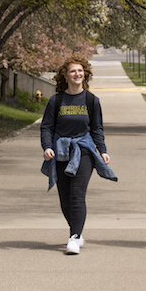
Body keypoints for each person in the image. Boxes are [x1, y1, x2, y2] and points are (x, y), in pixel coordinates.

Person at [40, 55, 117, 255]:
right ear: (65, 75)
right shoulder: (56, 101)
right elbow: (46, 127)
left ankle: (74, 236)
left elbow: (97, 128)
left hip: (84, 150)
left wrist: (103, 150)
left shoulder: (91, 100)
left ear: (85, 74)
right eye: (73, 71)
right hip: (61, 152)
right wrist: (47, 147)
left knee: (77, 195)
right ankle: (77, 231)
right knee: (64, 197)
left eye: (80, 71)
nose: (77, 74)